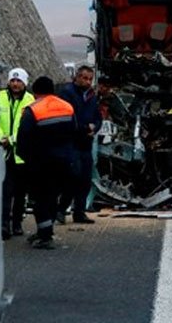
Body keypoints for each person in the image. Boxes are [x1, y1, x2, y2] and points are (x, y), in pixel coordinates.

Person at [16, 76, 78, 250]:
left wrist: (27, 159)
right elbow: (74, 132)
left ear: (35, 92)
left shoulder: (32, 110)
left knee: (39, 199)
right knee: (52, 196)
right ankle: (46, 229)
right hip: (64, 161)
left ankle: (45, 236)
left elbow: (23, 139)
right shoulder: (67, 107)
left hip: (41, 163)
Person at [56, 65, 101, 224]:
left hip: (86, 144)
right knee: (72, 177)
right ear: (77, 77)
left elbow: (97, 117)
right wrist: (84, 128)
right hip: (71, 142)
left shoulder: (91, 96)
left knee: (85, 179)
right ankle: (61, 209)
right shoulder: (67, 93)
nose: (88, 82)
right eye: (85, 78)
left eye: (90, 79)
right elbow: (68, 117)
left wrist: (95, 127)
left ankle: (79, 212)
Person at [0, 68, 35, 239]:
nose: (15, 84)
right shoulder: (0, 97)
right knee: (5, 191)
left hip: (22, 153)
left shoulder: (30, 100)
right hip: (4, 153)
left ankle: (17, 223)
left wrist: (11, 139)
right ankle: (4, 225)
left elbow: (26, 127)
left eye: (19, 81)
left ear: (25, 83)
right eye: (13, 80)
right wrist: (0, 137)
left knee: (20, 192)